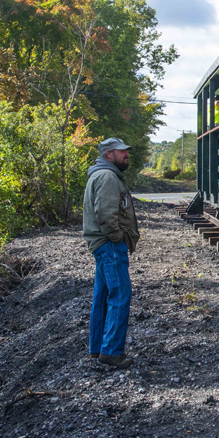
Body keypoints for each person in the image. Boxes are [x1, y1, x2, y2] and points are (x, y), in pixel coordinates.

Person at [82, 138, 140, 370]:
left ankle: (97, 349)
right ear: (108, 154)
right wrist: (117, 237)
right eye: (122, 151)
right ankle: (112, 352)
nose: (126, 154)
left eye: (127, 150)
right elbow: (105, 214)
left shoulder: (101, 174)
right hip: (109, 245)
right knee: (119, 295)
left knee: (102, 297)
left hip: (103, 245)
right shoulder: (106, 177)